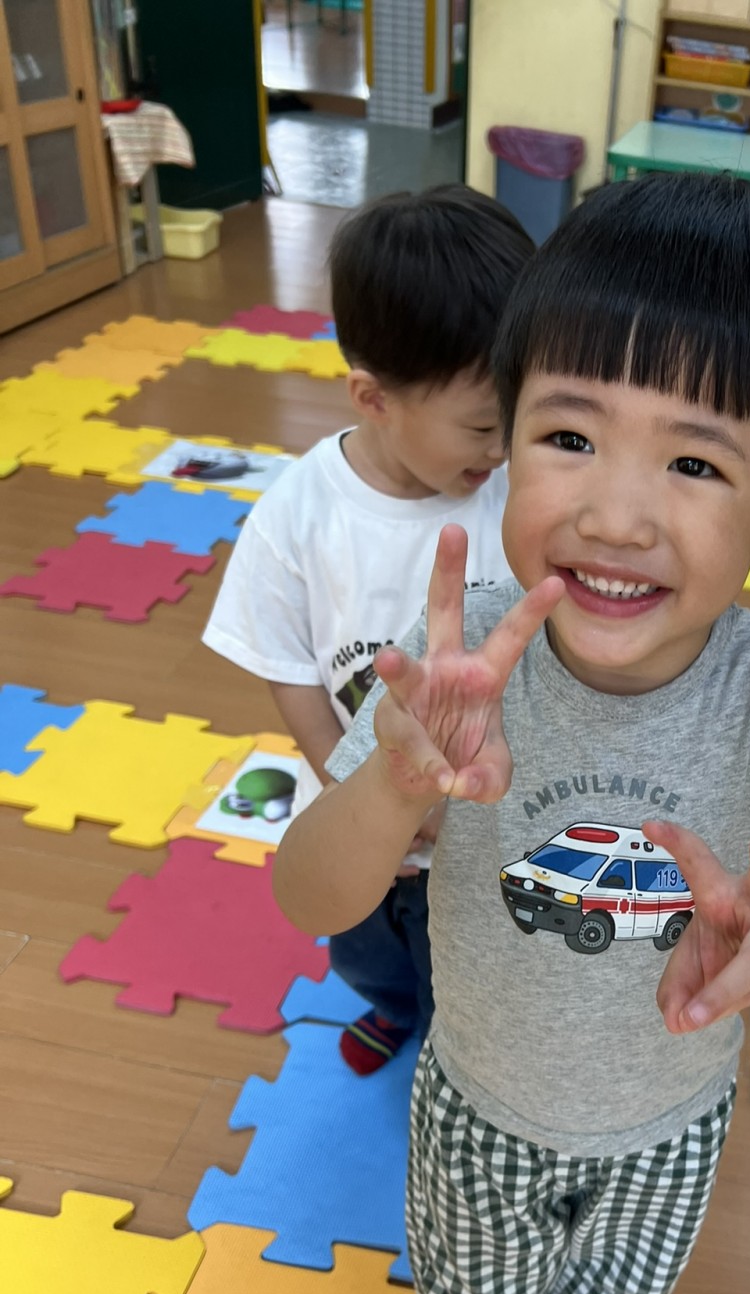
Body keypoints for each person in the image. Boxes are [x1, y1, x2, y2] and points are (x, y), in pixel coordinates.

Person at [274, 172, 750, 1294]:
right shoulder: (458, 669)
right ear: (505, 444)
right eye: (568, 435)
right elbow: (304, 892)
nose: (615, 513)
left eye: (694, 463)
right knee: (477, 1287)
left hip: (671, 1118)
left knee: (617, 1286)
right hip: (480, 1098)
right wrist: (392, 786)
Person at [204, 186, 533, 1074]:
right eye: (482, 425)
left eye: (522, 419)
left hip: (485, 820)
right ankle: (394, 1011)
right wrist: (344, 781)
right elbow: (286, 665)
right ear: (373, 397)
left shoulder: (517, 497)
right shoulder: (298, 516)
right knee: (367, 948)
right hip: (365, 815)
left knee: (472, 969)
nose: (503, 448)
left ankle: (450, 1047)